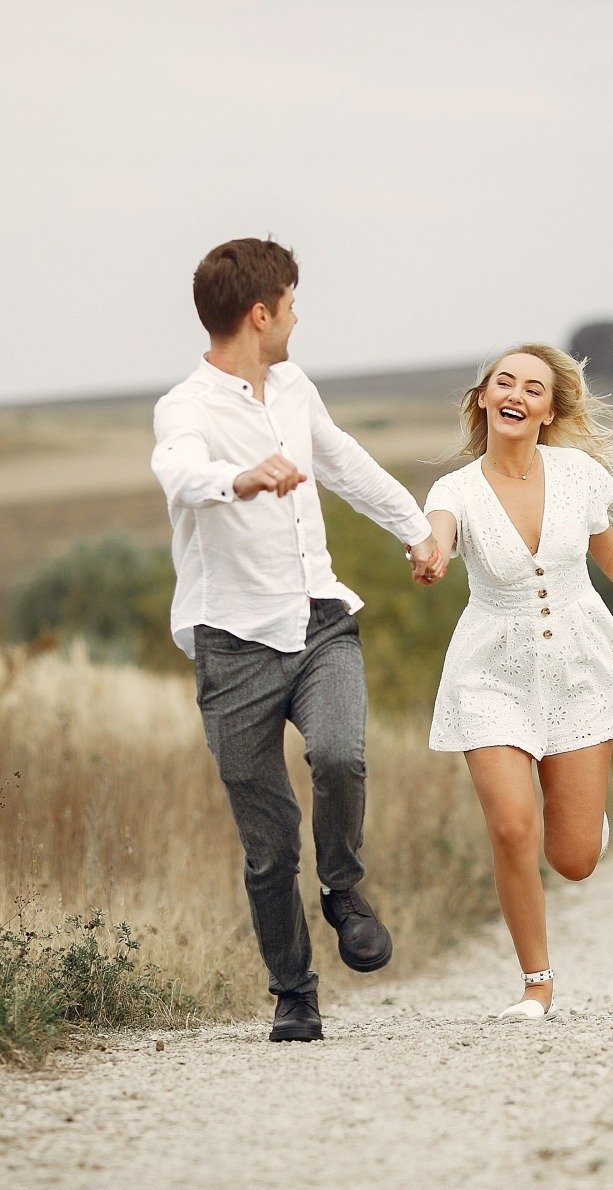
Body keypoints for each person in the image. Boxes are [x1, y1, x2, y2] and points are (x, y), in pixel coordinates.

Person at [151, 237, 445, 1043]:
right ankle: (294, 992)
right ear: (260, 312)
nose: (295, 317)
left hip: (319, 620)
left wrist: (416, 530)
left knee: (343, 755)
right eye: (290, 303)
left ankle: (344, 890)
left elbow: (342, 462)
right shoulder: (185, 407)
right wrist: (238, 478)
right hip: (233, 644)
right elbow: (177, 472)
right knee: (270, 848)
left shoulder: (293, 386)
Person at [420, 343, 613, 1021]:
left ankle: (586, 823)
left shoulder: (577, 475)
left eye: (533, 388)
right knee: (511, 828)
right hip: (490, 673)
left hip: (578, 667)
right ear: (482, 398)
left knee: (574, 860)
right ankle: (536, 983)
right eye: (503, 382)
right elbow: (439, 537)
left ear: (550, 409)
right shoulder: (454, 491)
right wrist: (431, 555)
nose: (516, 394)